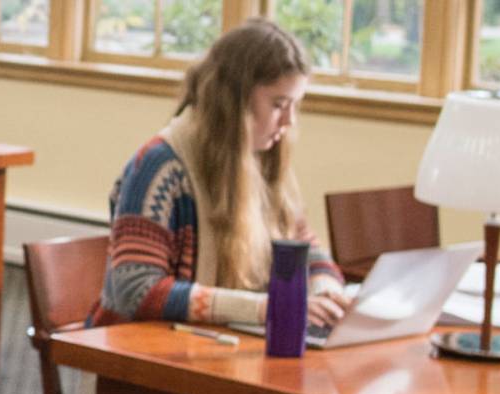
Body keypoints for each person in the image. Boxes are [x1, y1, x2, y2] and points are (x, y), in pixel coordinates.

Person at [98, 22, 345, 328]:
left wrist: (326, 289)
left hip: (225, 343)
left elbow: (305, 249)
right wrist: (260, 309)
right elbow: (135, 290)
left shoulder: (263, 160)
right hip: (147, 356)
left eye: (295, 105)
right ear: (233, 102)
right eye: (279, 104)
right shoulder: (160, 166)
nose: (289, 120)